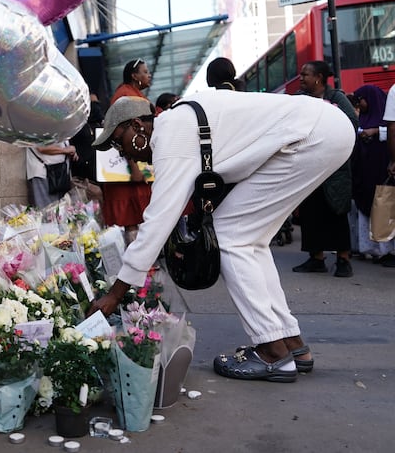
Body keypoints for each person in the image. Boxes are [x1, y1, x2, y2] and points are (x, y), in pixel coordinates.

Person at [87, 91, 355, 382]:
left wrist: (115, 293)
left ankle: (273, 352)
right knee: (248, 238)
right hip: (322, 130)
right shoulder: (177, 122)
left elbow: (158, 221)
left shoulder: (170, 134)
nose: (122, 152)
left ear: (138, 125)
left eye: (118, 141)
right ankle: (290, 342)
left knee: (229, 236)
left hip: (313, 136)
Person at [292, 61, 358, 277]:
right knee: (312, 212)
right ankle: (316, 258)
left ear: (319, 77)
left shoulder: (336, 98)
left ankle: (343, 260)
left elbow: (351, 123)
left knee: (336, 211)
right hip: (310, 165)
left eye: (305, 75)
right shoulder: (300, 100)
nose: (301, 78)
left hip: (334, 166)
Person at [101, 59, 154, 241]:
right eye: (145, 72)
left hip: (139, 162)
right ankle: (138, 263)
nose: (149, 75)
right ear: (134, 76)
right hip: (130, 168)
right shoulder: (124, 95)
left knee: (140, 215)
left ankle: (144, 263)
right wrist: (134, 168)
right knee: (132, 217)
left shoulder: (135, 94)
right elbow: (122, 132)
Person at [350, 85, 395, 265]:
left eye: (362, 99)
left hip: (381, 173)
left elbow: (390, 131)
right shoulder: (363, 119)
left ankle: (388, 250)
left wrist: (375, 131)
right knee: (369, 208)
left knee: (384, 208)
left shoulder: (386, 124)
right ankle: (373, 249)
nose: (360, 104)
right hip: (366, 175)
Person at [69, 93, 105, 203]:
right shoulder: (76, 126)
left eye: (97, 104)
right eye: (93, 104)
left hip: (100, 174)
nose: (96, 107)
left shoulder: (101, 127)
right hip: (83, 176)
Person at [25, 142, 77, 208]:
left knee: (62, 209)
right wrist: (65, 150)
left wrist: (70, 152)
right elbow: (41, 148)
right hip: (44, 173)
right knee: (47, 210)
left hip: (60, 172)